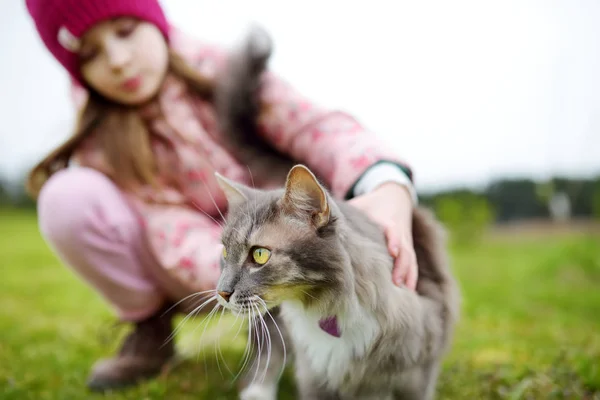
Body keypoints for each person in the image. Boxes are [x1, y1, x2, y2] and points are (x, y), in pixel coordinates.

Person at [24, 0, 420, 392]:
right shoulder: (101, 143)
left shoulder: (225, 72)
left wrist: (383, 181)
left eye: (125, 32)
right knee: (66, 198)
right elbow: (167, 227)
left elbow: (316, 127)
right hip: (199, 264)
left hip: (289, 239)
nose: (118, 60)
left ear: (154, 20)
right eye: (91, 53)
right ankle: (149, 325)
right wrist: (248, 274)